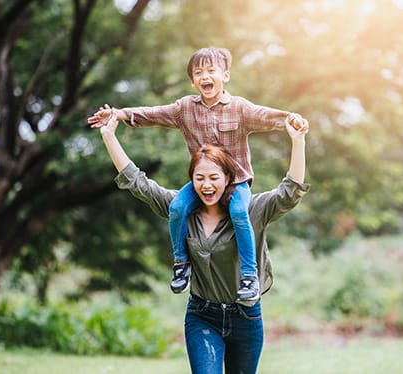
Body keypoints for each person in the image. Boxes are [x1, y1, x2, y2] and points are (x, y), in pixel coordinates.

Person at [88, 46, 309, 301]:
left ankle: (249, 274)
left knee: (239, 212)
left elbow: (265, 115)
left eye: (211, 70)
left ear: (225, 75)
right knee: (177, 208)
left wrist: (291, 120)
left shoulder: (239, 108)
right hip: (201, 183)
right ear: (193, 81)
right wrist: (120, 114)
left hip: (236, 182)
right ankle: (181, 263)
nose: (205, 76)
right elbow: (153, 114)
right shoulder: (185, 109)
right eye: (198, 72)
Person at [97, 109, 309, 374]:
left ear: (229, 179)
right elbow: (139, 183)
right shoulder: (182, 210)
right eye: (199, 178)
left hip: (246, 317)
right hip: (201, 315)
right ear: (192, 180)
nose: (206, 185)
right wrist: (109, 136)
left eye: (213, 178)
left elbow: (289, 193)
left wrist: (298, 142)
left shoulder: (253, 210)